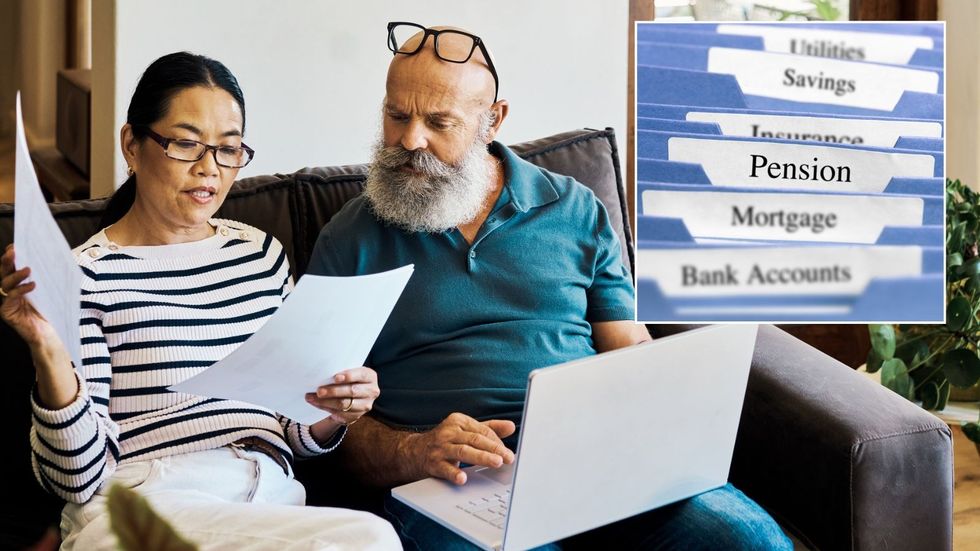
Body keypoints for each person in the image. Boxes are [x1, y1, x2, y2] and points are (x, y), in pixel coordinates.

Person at [305, 23, 792, 550]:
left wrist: (660, 426)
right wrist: (416, 451)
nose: (409, 140)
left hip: (598, 462)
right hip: (449, 483)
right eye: (396, 114)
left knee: (749, 541)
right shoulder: (352, 236)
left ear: (493, 121)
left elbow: (631, 350)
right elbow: (325, 421)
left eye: (439, 122)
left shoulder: (574, 208)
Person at [0, 52, 399, 550]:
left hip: (269, 499)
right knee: (368, 539)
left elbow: (295, 431)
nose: (209, 169)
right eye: (187, 144)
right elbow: (76, 478)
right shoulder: (86, 274)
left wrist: (335, 410)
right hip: (149, 501)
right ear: (132, 144)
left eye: (228, 149)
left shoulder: (261, 254)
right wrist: (48, 350)